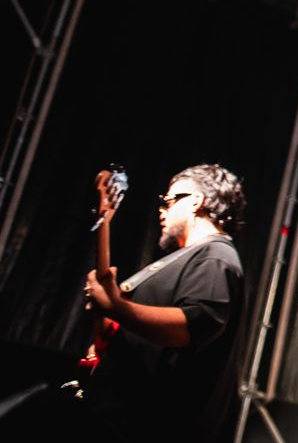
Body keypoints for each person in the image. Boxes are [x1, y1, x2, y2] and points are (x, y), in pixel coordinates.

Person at [82, 163, 247, 443]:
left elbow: (191, 327)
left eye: (168, 201)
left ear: (196, 201)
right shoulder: (187, 259)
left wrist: (116, 307)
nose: (161, 210)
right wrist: (106, 313)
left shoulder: (215, 257)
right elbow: (122, 334)